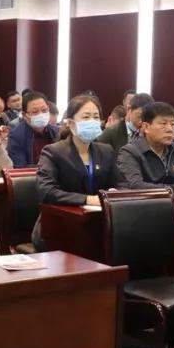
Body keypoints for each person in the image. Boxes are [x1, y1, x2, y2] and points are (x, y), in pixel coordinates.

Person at [33, 95, 123, 247]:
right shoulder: (53, 152)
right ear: (70, 123)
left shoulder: (106, 151)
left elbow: (120, 183)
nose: (92, 121)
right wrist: (87, 199)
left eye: (96, 117)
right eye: (86, 117)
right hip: (59, 226)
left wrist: (114, 193)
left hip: (98, 224)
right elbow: (46, 192)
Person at [117, 102, 174, 200]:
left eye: (173, 124)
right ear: (146, 127)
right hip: (146, 206)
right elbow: (135, 186)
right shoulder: (129, 152)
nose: (169, 129)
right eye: (163, 124)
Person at [7, 92, 59, 167]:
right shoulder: (16, 136)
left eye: (44, 110)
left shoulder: (57, 132)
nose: (41, 114)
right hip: (31, 174)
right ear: (24, 115)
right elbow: (20, 167)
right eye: (35, 112)